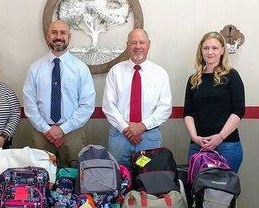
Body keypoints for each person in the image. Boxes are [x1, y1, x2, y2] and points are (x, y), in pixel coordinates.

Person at [23, 19, 95, 166]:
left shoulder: (81, 68)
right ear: (48, 36)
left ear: (69, 37)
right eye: (54, 32)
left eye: (63, 33)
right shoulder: (35, 68)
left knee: (74, 177)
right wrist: (47, 130)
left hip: (72, 132)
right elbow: (29, 104)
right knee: (42, 179)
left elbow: (87, 105)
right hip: (42, 133)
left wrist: (62, 129)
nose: (58, 36)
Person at [102, 28, 172, 168]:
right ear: (127, 45)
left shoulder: (160, 73)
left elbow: (165, 108)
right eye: (134, 42)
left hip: (148, 137)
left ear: (149, 44)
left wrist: (141, 126)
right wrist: (126, 129)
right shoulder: (115, 72)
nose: (138, 46)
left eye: (142, 42)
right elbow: (108, 105)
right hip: (120, 136)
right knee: (118, 178)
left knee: (148, 180)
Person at [184, 31, 245, 172]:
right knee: (197, 191)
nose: (210, 52)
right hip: (197, 144)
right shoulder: (193, 79)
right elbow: (188, 112)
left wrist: (220, 137)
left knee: (224, 192)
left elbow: (239, 110)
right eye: (206, 48)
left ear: (222, 50)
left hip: (227, 145)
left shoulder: (232, 76)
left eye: (214, 48)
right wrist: (194, 137)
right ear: (201, 50)